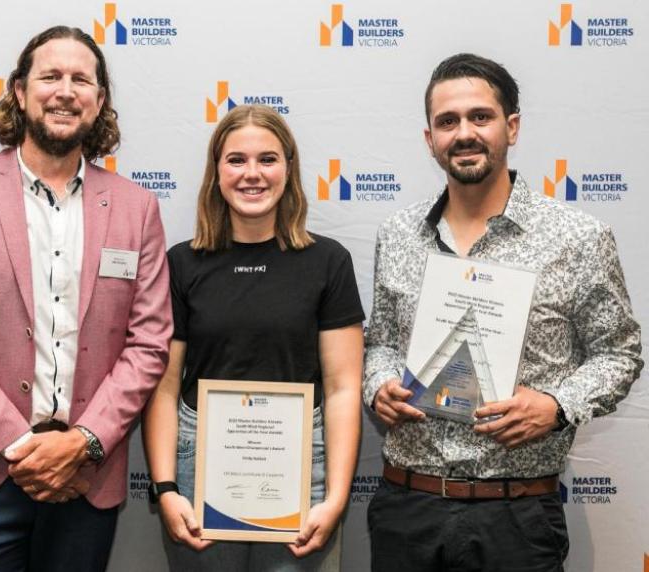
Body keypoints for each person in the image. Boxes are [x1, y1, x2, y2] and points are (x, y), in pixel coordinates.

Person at [363, 53, 643, 572]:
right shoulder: (398, 234)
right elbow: (379, 340)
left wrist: (556, 405)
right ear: (430, 139)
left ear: (511, 127)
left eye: (480, 117)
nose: (464, 133)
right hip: (407, 507)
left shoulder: (577, 237)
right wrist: (379, 384)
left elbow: (620, 353)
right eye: (447, 122)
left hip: (517, 514)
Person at [0, 25, 172, 571]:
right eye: (50, 76)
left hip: (85, 474)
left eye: (82, 79)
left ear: (99, 103)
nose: (65, 90)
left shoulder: (136, 208)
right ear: (19, 92)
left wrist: (84, 442)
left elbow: (148, 344)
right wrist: (20, 445)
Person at [143, 104, 365, 571]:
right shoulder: (182, 264)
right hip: (197, 471)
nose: (252, 174)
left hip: (305, 475)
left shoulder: (328, 262)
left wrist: (337, 499)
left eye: (267, 159)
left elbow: (344, 388)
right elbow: (162, 388)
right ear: (216, 172)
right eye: (236, 160)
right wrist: (165, 489)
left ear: (289, 168)